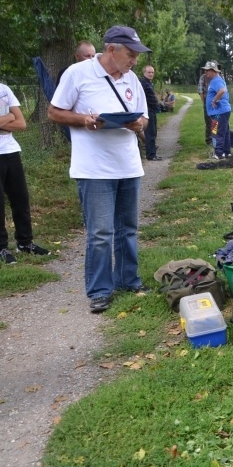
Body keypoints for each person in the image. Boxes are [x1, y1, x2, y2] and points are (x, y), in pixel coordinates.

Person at [47, 25, 152, 313]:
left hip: (128, 165)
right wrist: (84, 120)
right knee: (101, 233)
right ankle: (100, 291)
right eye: (130, 54)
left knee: (127, 229)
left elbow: (144, 118)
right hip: (94, 169)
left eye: (136, 56)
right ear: (111, 50)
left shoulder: (132, 80)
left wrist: (138, 123)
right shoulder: (77, 74)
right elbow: (54, 112)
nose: (134, 61)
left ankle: (128, 280)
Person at [0, 83, 51, 265]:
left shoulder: (4, 89)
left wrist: (7, 120)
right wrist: (8, 116)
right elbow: (14, 118)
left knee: (20, 199)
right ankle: (2, 247)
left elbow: (21, 123)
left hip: (11, 152)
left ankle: (25, 243)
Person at [203, 61, 231, 159]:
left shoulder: (216, 80)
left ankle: (219, 154)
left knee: (218, 132)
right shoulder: (216, 80)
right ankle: (227, 152)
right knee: (224, 131)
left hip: (219, 112)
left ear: (214, 71)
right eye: (205, 71)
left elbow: (222, 90)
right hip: (219, 112)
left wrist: (214, 100)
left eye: (207, 71)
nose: (206, 73)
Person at [139, 64, 161, 161]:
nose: (151, 74)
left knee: (153, 132)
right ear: (144, 73)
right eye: (149, 72)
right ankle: (151, 155)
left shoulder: (149, 83)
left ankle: (152, 153)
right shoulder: (143, 83)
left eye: (152, 72)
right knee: (150, 133)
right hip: (147, 110)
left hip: (152, 109)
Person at [197, 67, 211, 143]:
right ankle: (209, 138)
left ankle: (214, 137)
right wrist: (204, 103)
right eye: (205, 70)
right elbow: (200, 90)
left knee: (215, 121)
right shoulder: (203, 77)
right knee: (208, 120)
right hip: (207, 101)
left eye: (208, 70)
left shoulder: (218, 77)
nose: (206, 71)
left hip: (216, 103)